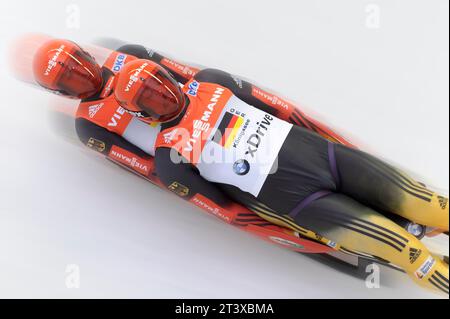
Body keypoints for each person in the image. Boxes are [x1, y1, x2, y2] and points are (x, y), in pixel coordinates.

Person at [32, 39, 448, 294]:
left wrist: (327, 138)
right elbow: (226, 210)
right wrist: (286, 232)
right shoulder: (168, 158)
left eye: (160, 87)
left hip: (321, 155)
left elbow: (283, 109)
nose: (162, 97)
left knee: (436, 206)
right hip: (301, 200)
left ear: (169, 77)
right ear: (143, 116)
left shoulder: (212, 83)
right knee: (411, 252)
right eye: (152, 101)